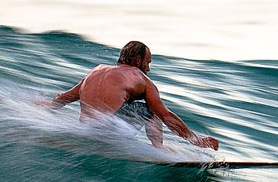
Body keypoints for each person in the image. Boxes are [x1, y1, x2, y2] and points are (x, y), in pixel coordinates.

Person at [44, 41, 219, 151]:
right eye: (147, 62)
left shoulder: (95, 71)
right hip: (109, 130)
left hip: (86, 128)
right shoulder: (139, 77)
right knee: (151, 111)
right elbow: (166, 116)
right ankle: (159, 150)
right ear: (137, 60)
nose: (148, 68)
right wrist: (196, 141)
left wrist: (48, 106)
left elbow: (64, 98)